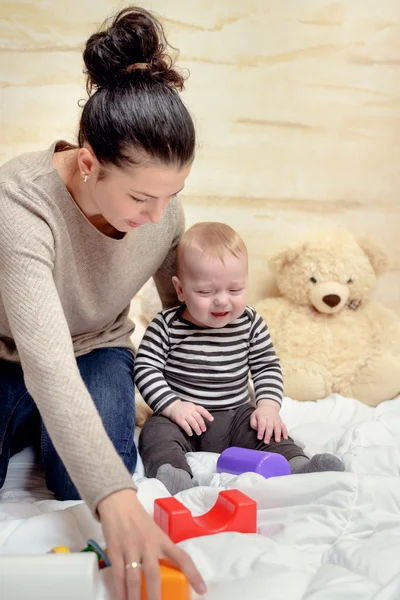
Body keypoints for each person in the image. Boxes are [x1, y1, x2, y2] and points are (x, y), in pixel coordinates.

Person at [0, 6, 206, 600]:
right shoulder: (21, 201)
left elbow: (180, 318)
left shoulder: (161, 213)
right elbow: (44, 363)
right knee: (103, 489)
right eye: (142, 198)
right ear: (89, 164)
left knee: (77, 483)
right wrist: (116, 500)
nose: (158, 218)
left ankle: (51, 429)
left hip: (96, 350)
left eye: (174, 195)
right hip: (16, 355)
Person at [135, 222, 345, 493]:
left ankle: (298, 464)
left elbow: (266, 365)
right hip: (182, 419)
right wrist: (173, 406)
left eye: (235, 290)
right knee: (155, 432)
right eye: (206, 292)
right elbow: (146, 366)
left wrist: (268, 406)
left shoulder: (250, 322)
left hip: (235, 417)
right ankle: (174, 474)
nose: (222, 301)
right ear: (180, 290)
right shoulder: (167, 324)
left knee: (268, 431)